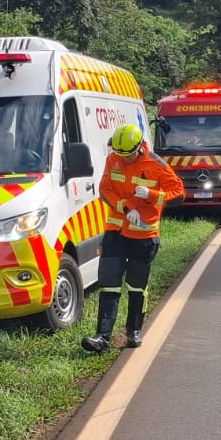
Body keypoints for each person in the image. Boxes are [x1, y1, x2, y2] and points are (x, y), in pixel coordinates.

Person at [82, 124, 185, 352]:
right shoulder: (114, 159)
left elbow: (179, 194)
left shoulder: (156, 164)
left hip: (144, 236)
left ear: (139, 148)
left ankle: (134, 331)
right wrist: (128, 208)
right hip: (116, 233)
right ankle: (103, 337)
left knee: (137, 287)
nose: (123, 159)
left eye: (127, 155)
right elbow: (105, 189)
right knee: (109, 284)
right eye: (120, 154)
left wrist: (152, 195)